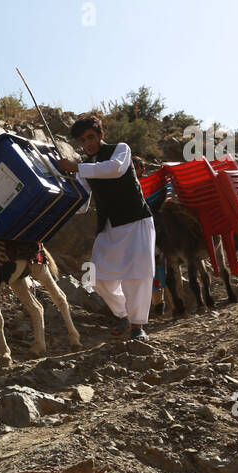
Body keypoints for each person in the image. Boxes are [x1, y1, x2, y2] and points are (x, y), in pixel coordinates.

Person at [57, 115, 156, 341]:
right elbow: (83, 203)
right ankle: (124, 314)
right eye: (82, 141)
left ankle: (138, 325)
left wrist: (75, 167)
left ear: (101, 134)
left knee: (137, 275)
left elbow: (115, 169)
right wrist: (65, 188)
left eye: (91, 137)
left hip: (136, 221)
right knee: (98, 276)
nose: (88, 143)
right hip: (109, 226)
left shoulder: (120, 150)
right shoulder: (85, 167)